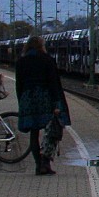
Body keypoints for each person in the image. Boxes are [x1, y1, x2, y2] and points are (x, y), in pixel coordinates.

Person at [16, 35, 70, 175]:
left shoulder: (21, 61)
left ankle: (38, 165)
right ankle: (46, 162)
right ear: (41, 46)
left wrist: (21, 100)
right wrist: (57, 103)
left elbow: (18, 84)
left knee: (34, 134)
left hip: (28, 98)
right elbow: (53, 83)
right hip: (45, 98)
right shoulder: (47, 60)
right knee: (51, 132)